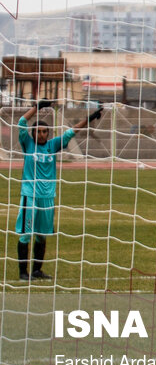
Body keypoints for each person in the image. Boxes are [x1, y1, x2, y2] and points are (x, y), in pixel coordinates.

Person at [16, 99, 103, 281]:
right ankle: (23, 273)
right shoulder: (27, 144)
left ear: (48, 133)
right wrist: (37, 108)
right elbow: (21, 123)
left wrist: (89, 118)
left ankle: (37, 271)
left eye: (44, 131)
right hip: (30, 195)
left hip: (48, 197)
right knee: (26, 234)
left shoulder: (52, 145)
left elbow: (71, 132)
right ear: (33, 133)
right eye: (38, 131)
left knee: (42, 235)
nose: (41, 134)